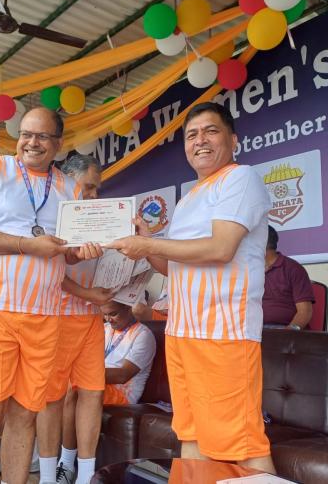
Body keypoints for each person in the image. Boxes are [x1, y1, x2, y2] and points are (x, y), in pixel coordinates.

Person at [107, 102, 275, 473]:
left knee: (243, 443)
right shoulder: (188, 199)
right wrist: (147, 244)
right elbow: (173, 267)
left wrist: (148, 244)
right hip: (182, 332)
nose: (200, 141)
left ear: (233, 140)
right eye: (192, 135)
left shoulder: (240, 178)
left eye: (211, 131)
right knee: (192, 435)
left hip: (224, 332)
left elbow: (220, 248)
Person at [0, 107, 102, 484]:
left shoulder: (70, 188)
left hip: (45, 314)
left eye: (41, 136)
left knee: (25, 413)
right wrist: (27, 245)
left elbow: (67, 251)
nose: (31, 143)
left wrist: (80, 251)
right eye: (25, 134)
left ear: (58, 143)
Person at [36, 154, 112, 484]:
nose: (94, 195)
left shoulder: (103, 218)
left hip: (91, 319)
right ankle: (48, 477)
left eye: (97, 189)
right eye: (89, 187)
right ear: (68, 181)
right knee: (53, 398)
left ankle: (85, 476)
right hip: (57, 317)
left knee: (92, 394)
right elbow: (48, 270)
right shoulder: (50, 217)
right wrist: (87, 294)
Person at [60, 300, 156, 482]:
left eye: (113, 314)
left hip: (121, 394)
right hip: (95, 383)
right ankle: (59, 463)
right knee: (57, 386)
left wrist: (81, 373)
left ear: (128, 307)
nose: (108, 319)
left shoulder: (143, 335)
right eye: (105, 314)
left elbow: (123, 375)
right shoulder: (104, 328)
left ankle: (66, 465)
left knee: (75, 387)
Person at [263, 226, 315, 330]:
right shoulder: (247, 270)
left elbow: (305, 312)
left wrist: (288, 333)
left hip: (283, 330)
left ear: (260, 242)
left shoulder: (293, 268)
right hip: (251, 331)